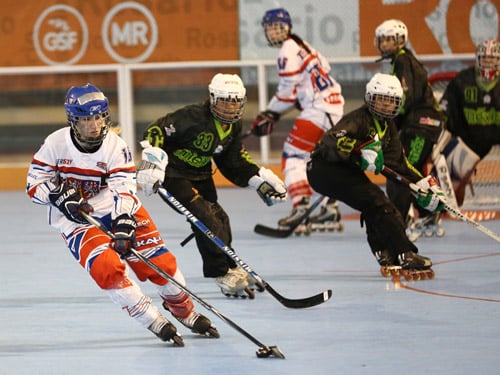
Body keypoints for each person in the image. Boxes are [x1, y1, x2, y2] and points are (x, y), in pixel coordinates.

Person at [26, 83, 218, 346]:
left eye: (98, 118)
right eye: (85, 120)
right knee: (106, 268)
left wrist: (124, 220)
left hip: (115, 206)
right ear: (73, 121)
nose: (93, 126)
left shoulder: (116, 146)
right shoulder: (55, 144)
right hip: (76, 219)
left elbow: (124, 188)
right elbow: (34, 183)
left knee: (161, 265)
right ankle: (153, 319)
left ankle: (185, 311)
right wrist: (56, 196)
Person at [137, 73, 287, 299]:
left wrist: (259, 180)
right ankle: (221, 273)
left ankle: (231, 266)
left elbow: (233, 161)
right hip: (174, 175)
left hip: (201, 175)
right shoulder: (192, 117)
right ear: (212, 99)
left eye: (235, 102)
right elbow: (156, 129)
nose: (230, 108)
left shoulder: (234, 126)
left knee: (220, 218)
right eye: (225, 101)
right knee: (204, 218)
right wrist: (152, 161)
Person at [307, 73, 446, 272]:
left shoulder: (388, 129)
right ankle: (405, 253)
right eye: (381, 100)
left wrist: (422, 184)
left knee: (374, 203)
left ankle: (384, 251)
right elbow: (330, 140)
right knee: (377, 201)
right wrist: (359, 149)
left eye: (391, 102)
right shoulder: (359, 119)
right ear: (370, 98)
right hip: (324, 168)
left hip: (344, 171)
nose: (386, 106)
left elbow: (399, 165)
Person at [249, 7, 345, 234]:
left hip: (319, 109)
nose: (273, 32)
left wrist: (269, 112)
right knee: (319, 159)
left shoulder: (287, 50)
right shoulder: (304, 45)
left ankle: (301, 205)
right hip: (334, 105)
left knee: (292, 156)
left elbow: (287, 92)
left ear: (287, 28)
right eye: (270, 28)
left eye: (277, 27)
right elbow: (324, 70)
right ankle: (329, 206)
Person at [374, 19, 446, 240]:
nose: (384, 44)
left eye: (389, 39)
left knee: (400, 169)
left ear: (399, 41)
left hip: (422, 126)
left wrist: (388, 121)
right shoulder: (401, 61)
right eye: (382, 40)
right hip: (420, 125)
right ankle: (428, 213)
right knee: (410, 169)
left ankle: (401, 220)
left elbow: (405, 99)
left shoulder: (404, 61)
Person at [439, 39, 500, 206]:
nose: (488, 61)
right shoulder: (463, 80)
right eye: (485, 57)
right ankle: (452, 212)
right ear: (477, 58)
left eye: (492, 58)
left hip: (495, 132)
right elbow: (444, 108)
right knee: (451, 181)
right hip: (471, 137)